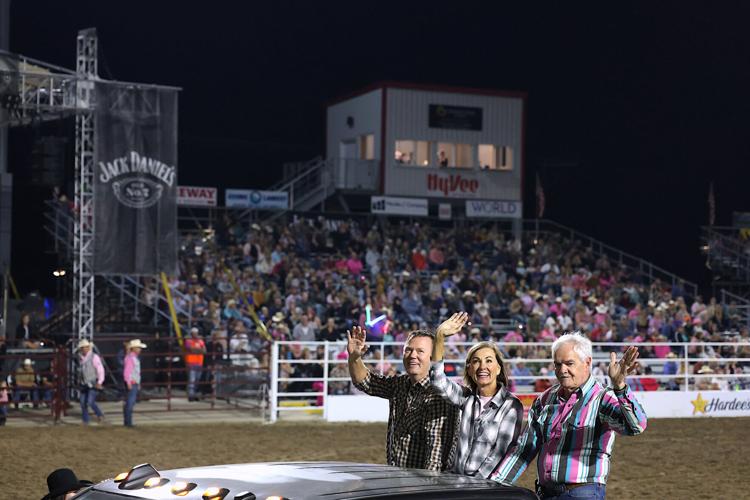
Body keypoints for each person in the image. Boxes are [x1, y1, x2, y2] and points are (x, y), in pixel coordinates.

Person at [491, 332, 648, 499]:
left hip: (582, 492)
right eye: (557, 364)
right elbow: (524, 449)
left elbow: (636, 426)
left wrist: (620, 387)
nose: (562, 370)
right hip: (546, 493)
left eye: (569, 363)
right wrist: (495, 486)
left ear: (587, 362)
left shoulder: (602, 398)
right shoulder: (545, 399)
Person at [347, 324, 459, 471]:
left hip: (422, 483)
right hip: (399, 476)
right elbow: (366, 382)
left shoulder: (438, 394)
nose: (413, 355)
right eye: (408, 350)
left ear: (432, 357)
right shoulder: (400, 383)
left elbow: (435, 454)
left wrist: (427, 488)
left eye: (420, 351)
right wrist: (355, 358)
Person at [431, 312, 523, 478]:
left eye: (489, 360)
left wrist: (475, 487)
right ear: (469, 369)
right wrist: (439, 337)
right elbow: (437, 381)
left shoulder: (511, 405)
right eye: (476, 361)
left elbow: (500, 452)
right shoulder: (464, 397)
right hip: (455, 481)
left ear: (498, 368)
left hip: (482, 487)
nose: (482, 366)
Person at [76, 339, 105, 424]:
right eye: (83, 347)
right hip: (84, 383)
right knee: (82, 402)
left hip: (93, 382)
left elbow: (100, 370)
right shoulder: (80, 358)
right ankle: (86, 420)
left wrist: (99, 382)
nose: (84, 349)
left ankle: (99, 415)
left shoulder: (94, 357)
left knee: (90, 401)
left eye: (86, 347)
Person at [123, 339, 147, 427]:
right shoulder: (131, 358)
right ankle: (128, 422)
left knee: (130, 402)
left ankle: (128, 421)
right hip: (132, 382)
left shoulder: (131, 357)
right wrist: (129, 382)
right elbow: (127, 372)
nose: (140, 349)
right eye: (138, 348)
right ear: (134, 348)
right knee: (130, 402)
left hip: (134, 382)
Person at [184, 327, 207, 401]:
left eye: (196, 333)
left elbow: (204, 351)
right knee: (192, 379)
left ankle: (194, 393)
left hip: (199, 362)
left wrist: (196, 350)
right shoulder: (188, 341)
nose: (195, 334)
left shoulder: (200, 341)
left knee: (197, 379)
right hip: (191, 362)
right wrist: (199, 350)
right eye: (194, 333)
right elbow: (191, 349)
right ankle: (191, 395)